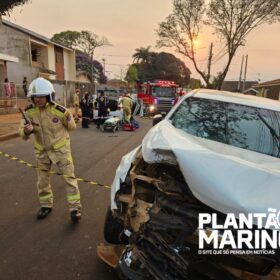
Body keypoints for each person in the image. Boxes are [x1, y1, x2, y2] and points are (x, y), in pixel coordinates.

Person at [19, 77, 82, 223]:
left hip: (61, 151)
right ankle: (46, 205)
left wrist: (70, 119)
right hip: (42, 152)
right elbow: (22, 135)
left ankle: (75, 209)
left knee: (70, 179)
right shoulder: (28, 113)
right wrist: (27, 131)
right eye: (35, 97)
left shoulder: (61, 112)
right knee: (42, 181)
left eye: (41, 96)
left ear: (48, 96)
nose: (38, 100)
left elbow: (72, 127)